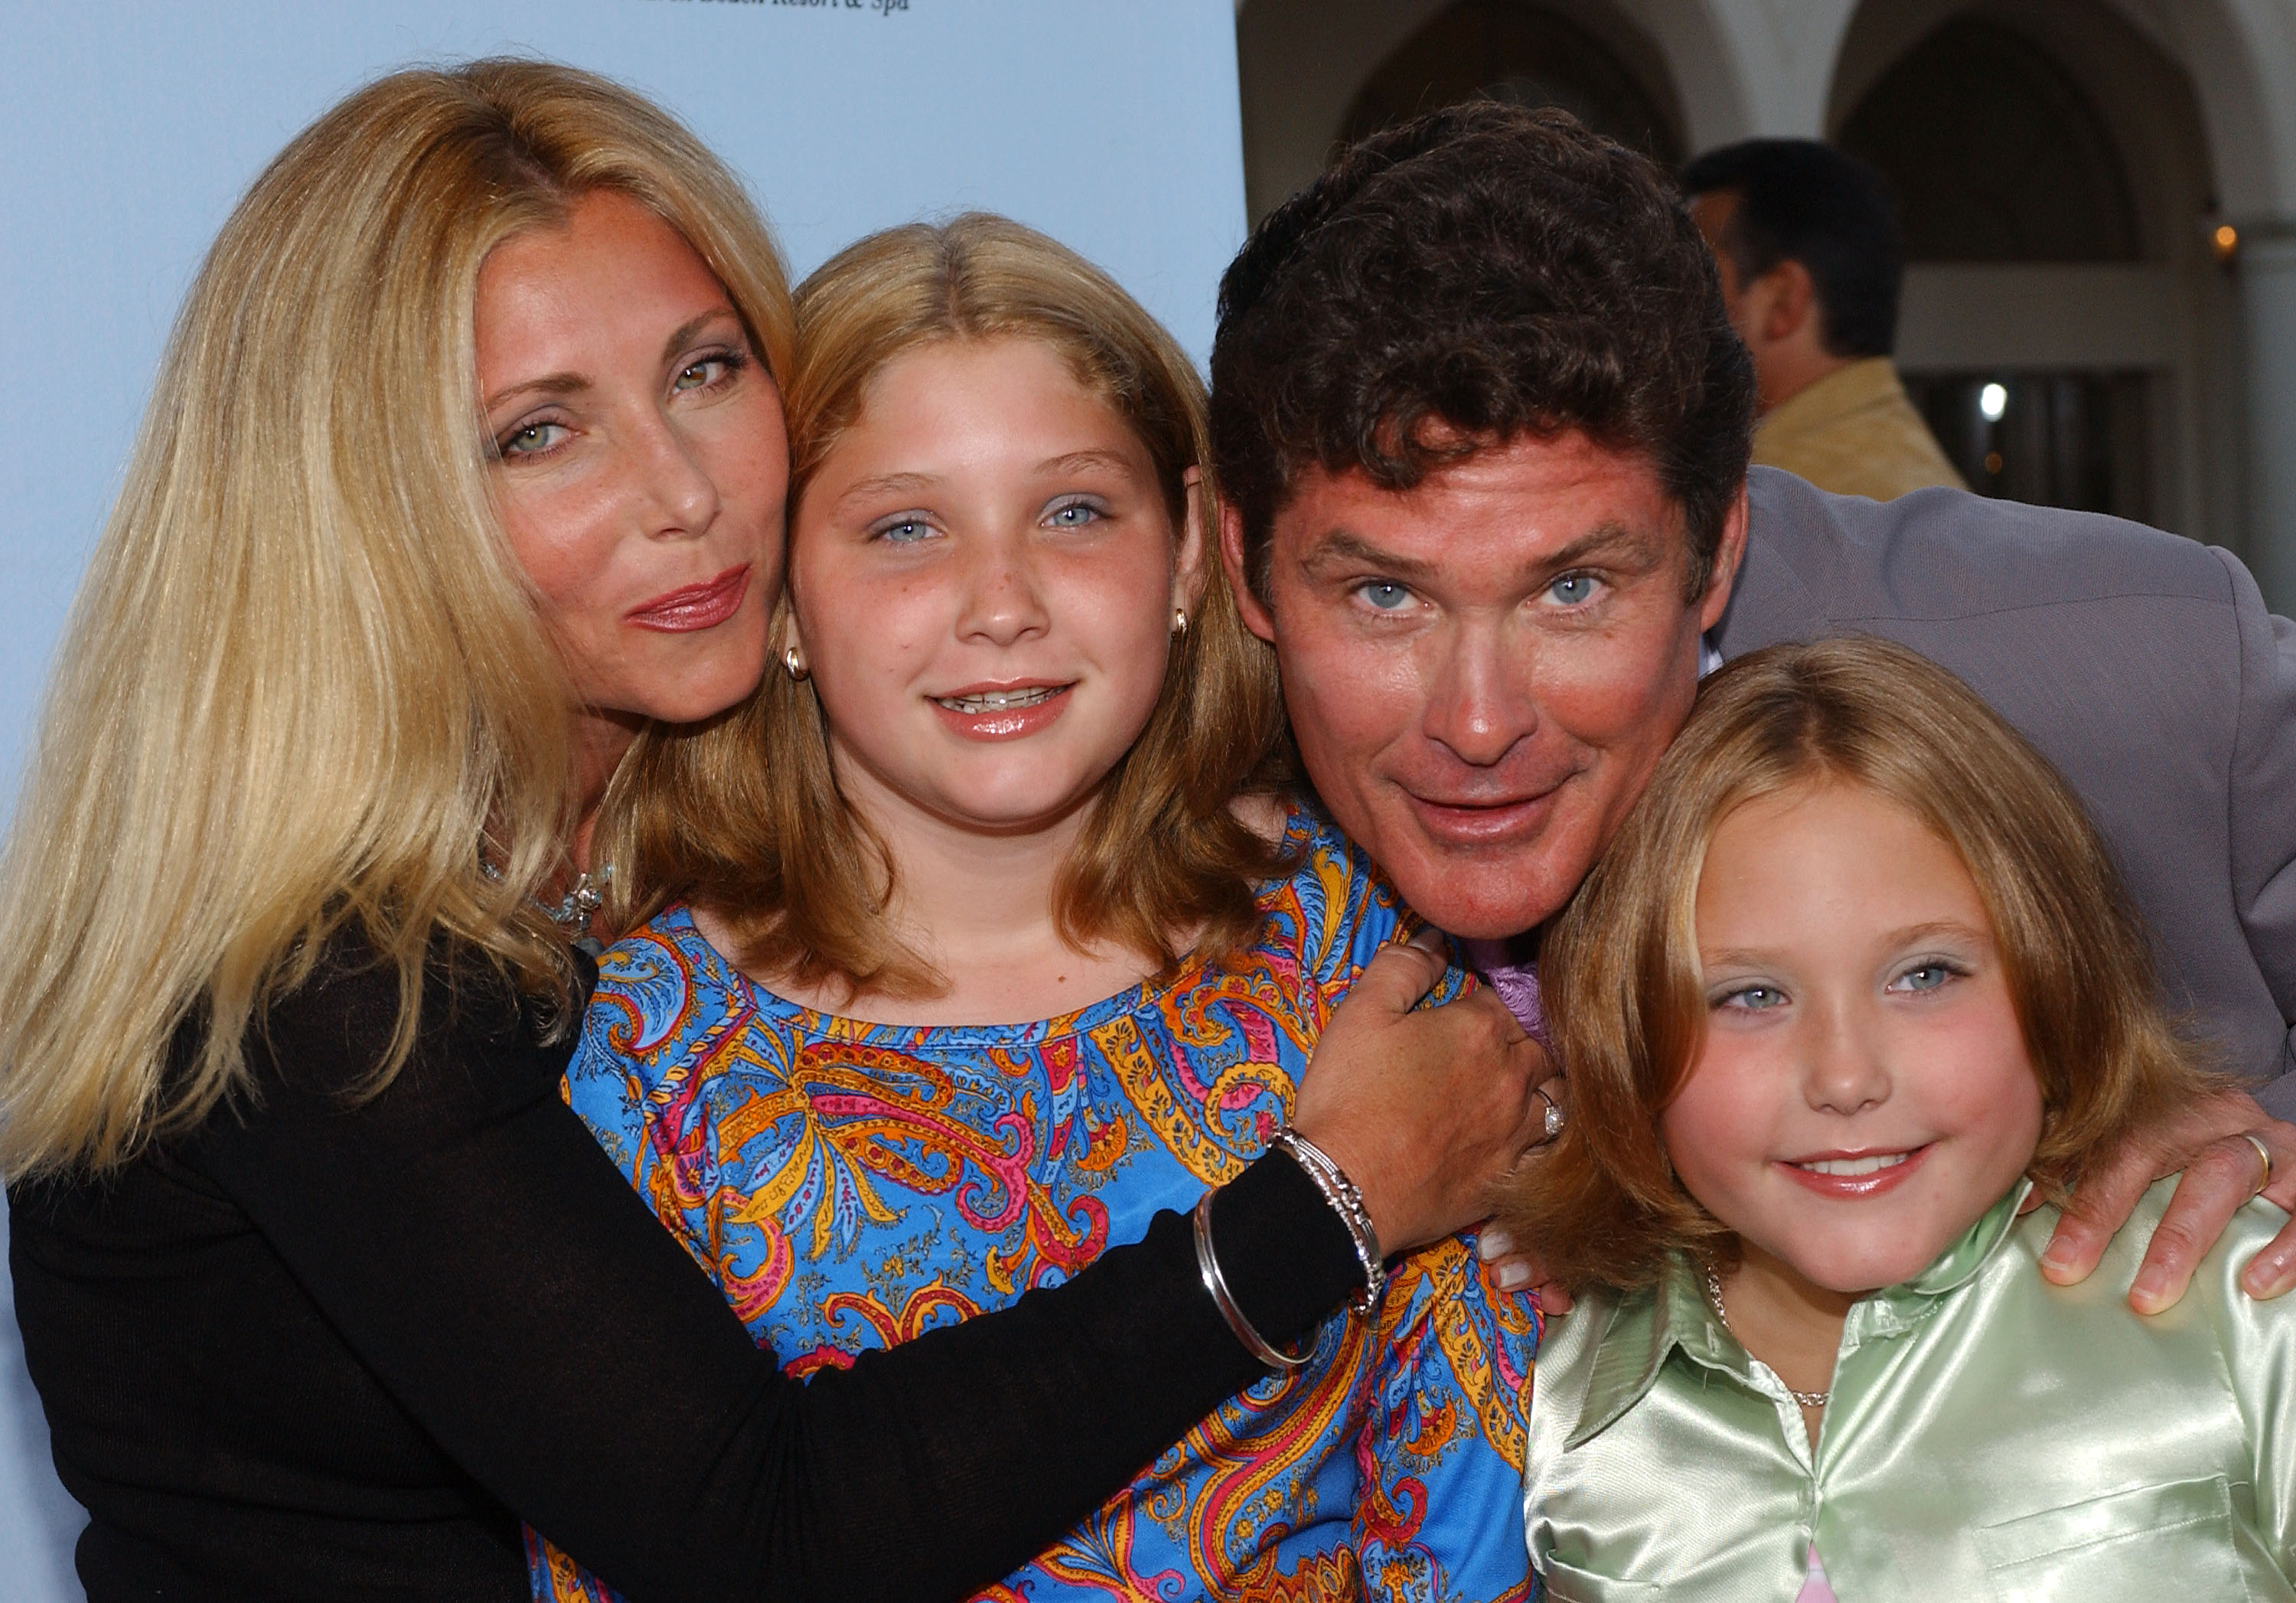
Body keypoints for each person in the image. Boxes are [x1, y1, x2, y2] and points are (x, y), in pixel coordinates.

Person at [0, 63, 1544, 1603]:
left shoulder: (658, 838)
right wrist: (1330, 1196)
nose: (682, 494)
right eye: (539, 433)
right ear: (367, 501)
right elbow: (760, 1533)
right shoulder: (324, 978)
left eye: (706, 370)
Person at [539, 214, 1538, 1603]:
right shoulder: (648, 1052)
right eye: (903, 527)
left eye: (1072, 510)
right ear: (780, 597)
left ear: (1190, 552)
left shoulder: (1350, 938)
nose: (999, 602)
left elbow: (1463, 1497)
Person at [1206, 100, 2296, 1314]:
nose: (1477, 722)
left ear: (1716, 547)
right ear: (1244, 563)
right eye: (1381, 594)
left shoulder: (2135, 671)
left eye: (1573, 587)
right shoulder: (1141, 812)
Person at [1505, 635, 2293, 1599]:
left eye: (1925, 976)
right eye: (1750, 996)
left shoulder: (2248, 1307)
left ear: (2055, 982)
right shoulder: (1543, 1392)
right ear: (1625, 1035)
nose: (1845, 1078)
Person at [1678, 137, 1965, 501]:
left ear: (1782, 301)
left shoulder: (1769, 503)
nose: (1670, 306)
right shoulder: (1925, 480)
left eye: (1695, 274)